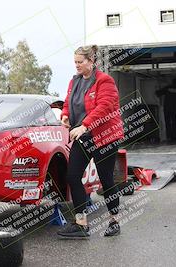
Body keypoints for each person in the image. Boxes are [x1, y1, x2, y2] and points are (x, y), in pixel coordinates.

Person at [57, 45, 124, 239]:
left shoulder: (105, 81)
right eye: (75, 62)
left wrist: (84, 125)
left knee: (106, 179)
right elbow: (68, 102)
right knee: (73, 176)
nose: (76, 65)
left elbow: (104, 107)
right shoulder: (74, 81)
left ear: (91, 61)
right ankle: (81, 223)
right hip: (83, 136)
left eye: (80, 62)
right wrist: (65, 116)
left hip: (105, 136)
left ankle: (114, 221)